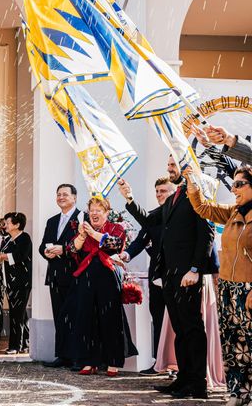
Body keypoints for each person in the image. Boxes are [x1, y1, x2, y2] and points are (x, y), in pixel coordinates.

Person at [119, 155, 214, 399]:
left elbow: (207, 234)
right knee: (180, 329)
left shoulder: (198, 193)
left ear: (188, 165)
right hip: (170, 275)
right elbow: (150, 221)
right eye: (169, 164)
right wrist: (129, 198)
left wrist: (195, 269)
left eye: (173, 164)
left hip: (187, 275)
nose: (169, 168)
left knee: (192, 328)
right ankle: (183, 378)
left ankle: (198, 382)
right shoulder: (173, 198)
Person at [183, 164, 252, 406]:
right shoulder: (233, 211)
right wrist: (193, 186)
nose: (234, 189)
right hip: (228, 288)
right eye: (233, 184)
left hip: (248, 288)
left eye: (240, 184)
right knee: (233, 343)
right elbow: (204, 208)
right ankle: (237, 392)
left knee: (250, 343)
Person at [58, 197, 134, 376]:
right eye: (92, 209)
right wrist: (83, 235)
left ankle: (113, 362)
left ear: (107, 213)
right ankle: (88, 361)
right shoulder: (83, 230)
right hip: (86, 277)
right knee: (85, 318)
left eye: (99, 210)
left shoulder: (116, 228)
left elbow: (114, 244)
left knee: (110, 318)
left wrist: (92, 233)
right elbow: (71, 250)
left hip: (108, 276)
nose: (94, 213)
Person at [119, 177, 175, 375]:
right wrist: (125, 255)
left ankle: (178, 364)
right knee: (158, 317)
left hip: (176, 276)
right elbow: (140, 241)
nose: (159, 194)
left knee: (177, 321)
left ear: (174, 192)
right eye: (157, 191)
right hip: (156, 275)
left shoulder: (177, 215)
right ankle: (160, 362)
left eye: (163, 191)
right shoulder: (154, 217)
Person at [38, 184, 80, 367]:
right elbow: (42, 246)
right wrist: (46, 252)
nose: (61, 197)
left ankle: (76, 356)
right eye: (58, 194)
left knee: (75, 316)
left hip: (74, 275)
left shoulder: (81, 219)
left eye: (65, 194)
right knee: (59, 316)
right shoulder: (52, 221)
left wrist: (63, 250)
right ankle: (62, 354)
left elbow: (83, 248)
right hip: (55, 275)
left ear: (74, 198)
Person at [0, 212, 32, 354]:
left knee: (16, 314)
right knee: (20, 315)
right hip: (10, 282)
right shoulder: (9, 239)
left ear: (17, 225)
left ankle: (15, 346)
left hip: (21, 283)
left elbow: (20, 256)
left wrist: (1, 256)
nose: (6, 225)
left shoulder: (24, 238)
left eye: (8, 223)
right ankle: (25, 343)